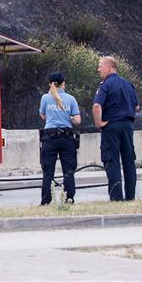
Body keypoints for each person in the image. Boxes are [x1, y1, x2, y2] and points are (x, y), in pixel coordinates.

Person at [92, 56, 141, 201]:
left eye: (100, 66)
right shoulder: (128, 84)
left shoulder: (105, 85)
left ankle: (116, 198)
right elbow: (136, 106)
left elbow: (96, 106)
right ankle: (130, 197)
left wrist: (99, 123)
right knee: (128, 161)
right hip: (127, 126)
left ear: (108, 67)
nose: (98, 69)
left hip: (111, 126)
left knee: (112, 161)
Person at [39, 71, 81, 205]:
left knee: (48, 171)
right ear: (63, 83)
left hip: (50, 137)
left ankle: (46, 201)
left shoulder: (45, 98)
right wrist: (68, 117)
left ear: (50, 84)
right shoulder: (71, 99)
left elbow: (43, 116)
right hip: (66, 137)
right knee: (68, 170)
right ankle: (69, 199)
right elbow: (77, 121)